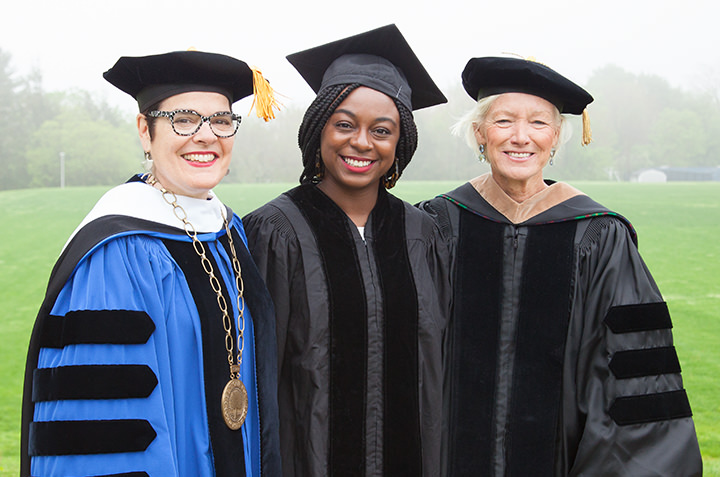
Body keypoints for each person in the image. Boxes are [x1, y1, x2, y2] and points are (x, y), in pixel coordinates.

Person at [420, 56, 702, 476]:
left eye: (538, 123)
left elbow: (634, 379)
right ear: (479, 133)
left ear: (555, 138)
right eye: (503, 121)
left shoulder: (599, 237)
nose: (521, 137)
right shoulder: (437, 226)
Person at [21, 50, 282, 477]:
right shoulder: (116, 251)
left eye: (220, 121)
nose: (206, 136)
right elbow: (106, 430)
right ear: (146, 130)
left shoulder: (228, 231)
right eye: (183, 119)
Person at [242, 25, 450, 477]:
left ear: (401, 143)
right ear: (318, 130)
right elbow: (257, 377)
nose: (361, 142)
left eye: (381, 130)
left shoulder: (422, 234)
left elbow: (438, 375)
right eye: (343, 124)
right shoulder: (274, 232)